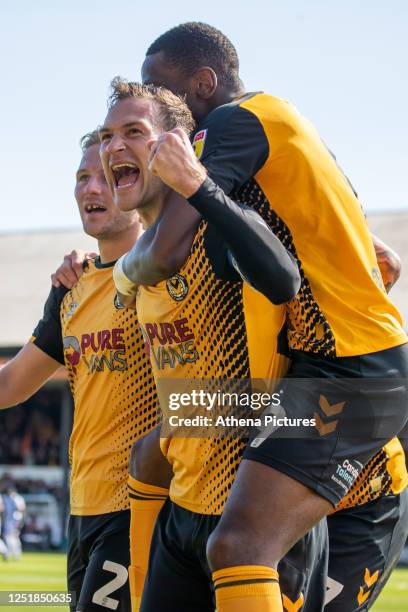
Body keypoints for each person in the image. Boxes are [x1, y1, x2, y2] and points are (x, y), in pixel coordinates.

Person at [131, 22, 408, 611]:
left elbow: (165, 250)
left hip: (354, 371)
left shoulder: (235, 121)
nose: (159, 109)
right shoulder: (285, 124)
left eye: (164, 90)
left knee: (240, 545)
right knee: (183, 468)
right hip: (320, 366)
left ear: (205, 83)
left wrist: (122, 272)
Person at [103, 78, 329, 612]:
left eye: (133, 132)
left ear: (175, 143)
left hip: (254, 521)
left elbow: (290, 273)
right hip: (181, 515)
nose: (114, 147)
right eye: (107, 135)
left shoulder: (219, 227)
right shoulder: (145, 262)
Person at [0, 131, 160, 611]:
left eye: (107, 178)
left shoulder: (167, 273)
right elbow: (10, 384)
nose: (91, 189)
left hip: (142, 504)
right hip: (82, 508)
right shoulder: (70, 288)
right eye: (82, 178)